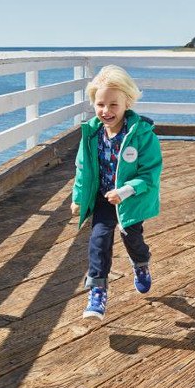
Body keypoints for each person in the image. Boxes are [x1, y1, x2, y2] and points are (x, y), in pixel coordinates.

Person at [70, 65, 162, 320]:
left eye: (113, 105)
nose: (106, 111)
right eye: (100, 104)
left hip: (130, 200)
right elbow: (82, 168)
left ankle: (141, 264)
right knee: (98, 240)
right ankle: (97, 291)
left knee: (132, 237)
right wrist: (78, 198)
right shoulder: (92, 134)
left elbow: (150, 173)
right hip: (103, 198)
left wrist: (126, 190)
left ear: (127, 103)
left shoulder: (142, 135)